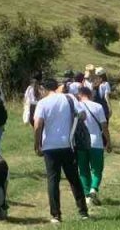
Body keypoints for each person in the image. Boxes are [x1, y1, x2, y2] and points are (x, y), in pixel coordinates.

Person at [33, 78, 90, 223]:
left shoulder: (42, 103)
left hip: (49, 147)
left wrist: (37, 144)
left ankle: (56, 215)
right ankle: (83, 211)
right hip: (68, 144)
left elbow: (38, 125)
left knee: (53, 180)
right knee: (74, 178)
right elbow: (83, 115)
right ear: (56, 87)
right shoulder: (69, 98)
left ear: (44, 89)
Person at [75, 85, 111, 206]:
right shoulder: (98, 106)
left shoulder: (76, 106)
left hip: (80, 142)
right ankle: (94, 189)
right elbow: (104, 126)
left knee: (83, 170)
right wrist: (108, 141)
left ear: (79, 95)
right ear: (90, 95)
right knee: (97, 170)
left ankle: (87, 196)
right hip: (96, 142)